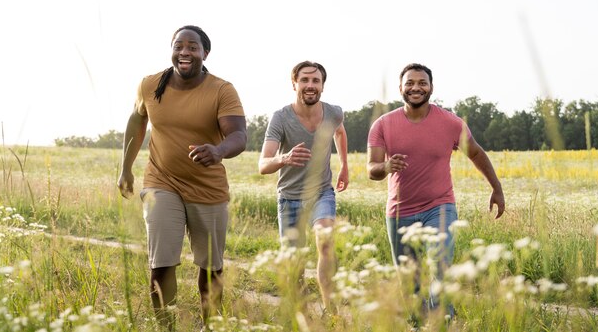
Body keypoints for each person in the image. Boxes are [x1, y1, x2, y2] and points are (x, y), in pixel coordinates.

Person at [117, 25, 247, 331]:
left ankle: (209, 325)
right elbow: (137, 122)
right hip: (161, 182)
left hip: (208, 188)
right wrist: (125, 168)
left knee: (210, 266)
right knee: (161, 260)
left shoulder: (221, 89)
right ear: (172, 49)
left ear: (205, 53)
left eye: (192, 47)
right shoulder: (150, 85)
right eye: (179, 46)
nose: (184, 52)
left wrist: (218, 150)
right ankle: (167, 327)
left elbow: (239, 135)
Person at [366, 63, 505, 317]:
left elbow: (475, 152)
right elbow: (372, 170)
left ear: (431, 88)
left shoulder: (450, 123)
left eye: (422, 83)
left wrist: (496, 188)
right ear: (400, 88)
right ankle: (418, 322)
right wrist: (385, 166)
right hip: (399, 211)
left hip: (439, 207)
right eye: (410, 83)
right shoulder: (383, 125)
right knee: (411, 281)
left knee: (441, 265)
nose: (415, 88)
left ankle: (442, 319)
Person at [258, 61, 349, 312]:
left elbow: (339, 132)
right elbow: (263, 164)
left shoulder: (333, 112)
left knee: (326, 238)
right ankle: (302, 315)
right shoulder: (281, 118)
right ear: (294, 84)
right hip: (289, 198)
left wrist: (344, 165)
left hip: (321, 192)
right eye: (305, 80)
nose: (310, 85)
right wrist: (283, 158)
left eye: (316, 81)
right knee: (294, 264)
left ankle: (332, 311)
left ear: (322, 85)